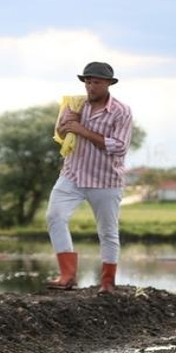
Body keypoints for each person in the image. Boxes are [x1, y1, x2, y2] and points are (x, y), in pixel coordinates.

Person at [45, 61, 133, 294]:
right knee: (55, 216)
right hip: (72, 174)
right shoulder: (74, 105)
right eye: (87, 81)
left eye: (96, 82)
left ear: (108, 84)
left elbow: (119, 147)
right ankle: (67, 276)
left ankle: (107, 283)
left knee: (107, 231)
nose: (90, 86)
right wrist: (67, 124)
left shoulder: (121, 111)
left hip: (106, 179)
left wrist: (80, 129)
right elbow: (61, 134)